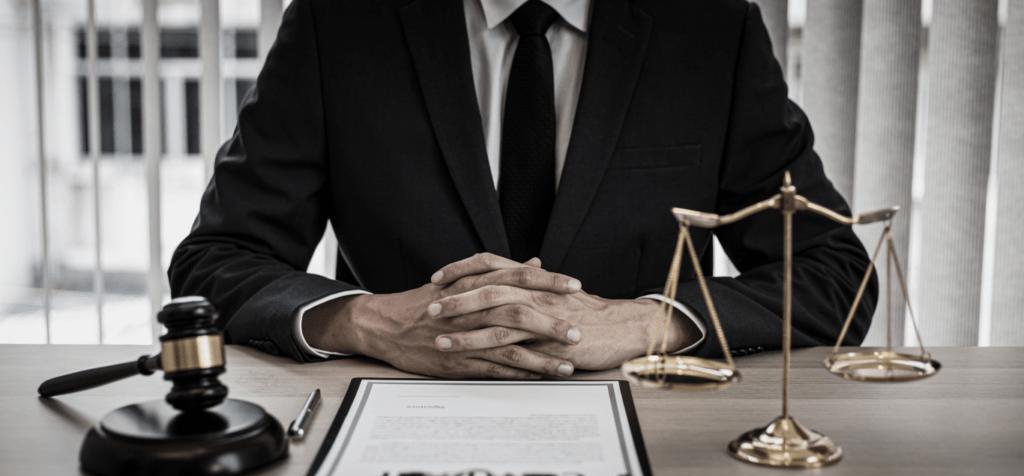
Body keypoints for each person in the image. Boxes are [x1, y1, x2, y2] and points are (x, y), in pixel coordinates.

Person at [169, 0, 876, 379]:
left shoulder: (710, 28)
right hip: (393, 421)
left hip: (653, 432)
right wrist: (366, 322)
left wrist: (644, 323)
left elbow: (835, 271)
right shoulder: (340, 22)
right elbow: (217, 260)